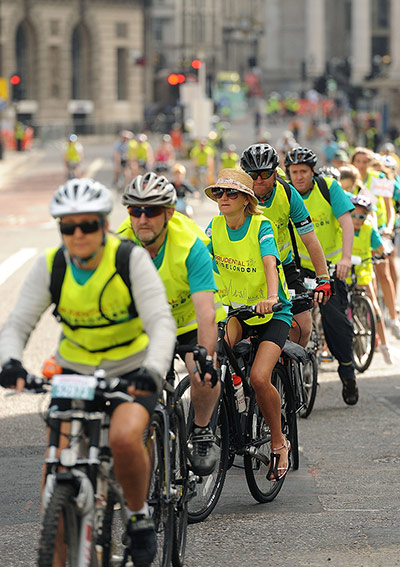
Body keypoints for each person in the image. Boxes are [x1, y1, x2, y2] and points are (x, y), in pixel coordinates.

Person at [0, 178, 176, 566]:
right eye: (68, 226)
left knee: (126, 438)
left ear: (104, 225)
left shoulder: (129, 259)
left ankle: (137, 516)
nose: (77, 234)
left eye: (88, 225)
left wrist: (152, 370)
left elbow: (162, 323)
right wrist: (11, 362)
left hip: (130, 367)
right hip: (75, 369)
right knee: (55, 475)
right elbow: (16, 325)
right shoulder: (52, 264)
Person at [119, 172, 226, 476]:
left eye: (151, 210)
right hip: (147, 325)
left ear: (168, 213)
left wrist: (205, 358)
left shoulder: (190, 246)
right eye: (134, 210)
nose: (142, 218)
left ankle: (202, 431)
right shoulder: (119, 244)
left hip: (189, 321)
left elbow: (206, 313)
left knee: (204, 374)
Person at [204, 168, 293, 481]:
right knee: (212, 359)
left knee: (258, 376)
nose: (223, 198)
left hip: (272, 312)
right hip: (238, 311)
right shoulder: (214, 227)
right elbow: (198, 260)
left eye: (231, 193)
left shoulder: (261, 224)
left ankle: (280, 443)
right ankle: (226, 422)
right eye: (219, 193)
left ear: (246, 199)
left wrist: (271, 295)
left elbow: (270, 261)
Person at [284, 146, 359, 405]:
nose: (299, 177)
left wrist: (345, 258)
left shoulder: (328, 187)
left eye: (303, 171)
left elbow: (346, 221)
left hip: (330, 266)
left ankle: (347, 371)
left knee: (336, 321)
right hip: (298, 267)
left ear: (312, 171)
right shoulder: (286, 193)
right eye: (294, 172)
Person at [240, 144, 331, 348]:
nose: (259, 180)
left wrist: (323, 278)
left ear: (275, 172)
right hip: (248, 269)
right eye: (252, 175)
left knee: (304, 327)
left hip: (283, 267)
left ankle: (293, 371)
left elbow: (310, 239)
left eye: (265, 173)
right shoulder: (236, 197)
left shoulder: (288, 193)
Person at [346, 193, 392, 365]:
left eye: (362, 216)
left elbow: (380, 248)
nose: (358, 220)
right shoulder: (342, 227)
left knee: (374, 306)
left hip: (363, 274)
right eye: (354, 215)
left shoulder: (368, 229)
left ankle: (385, 345)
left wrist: (380, 254)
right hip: (345, 273)